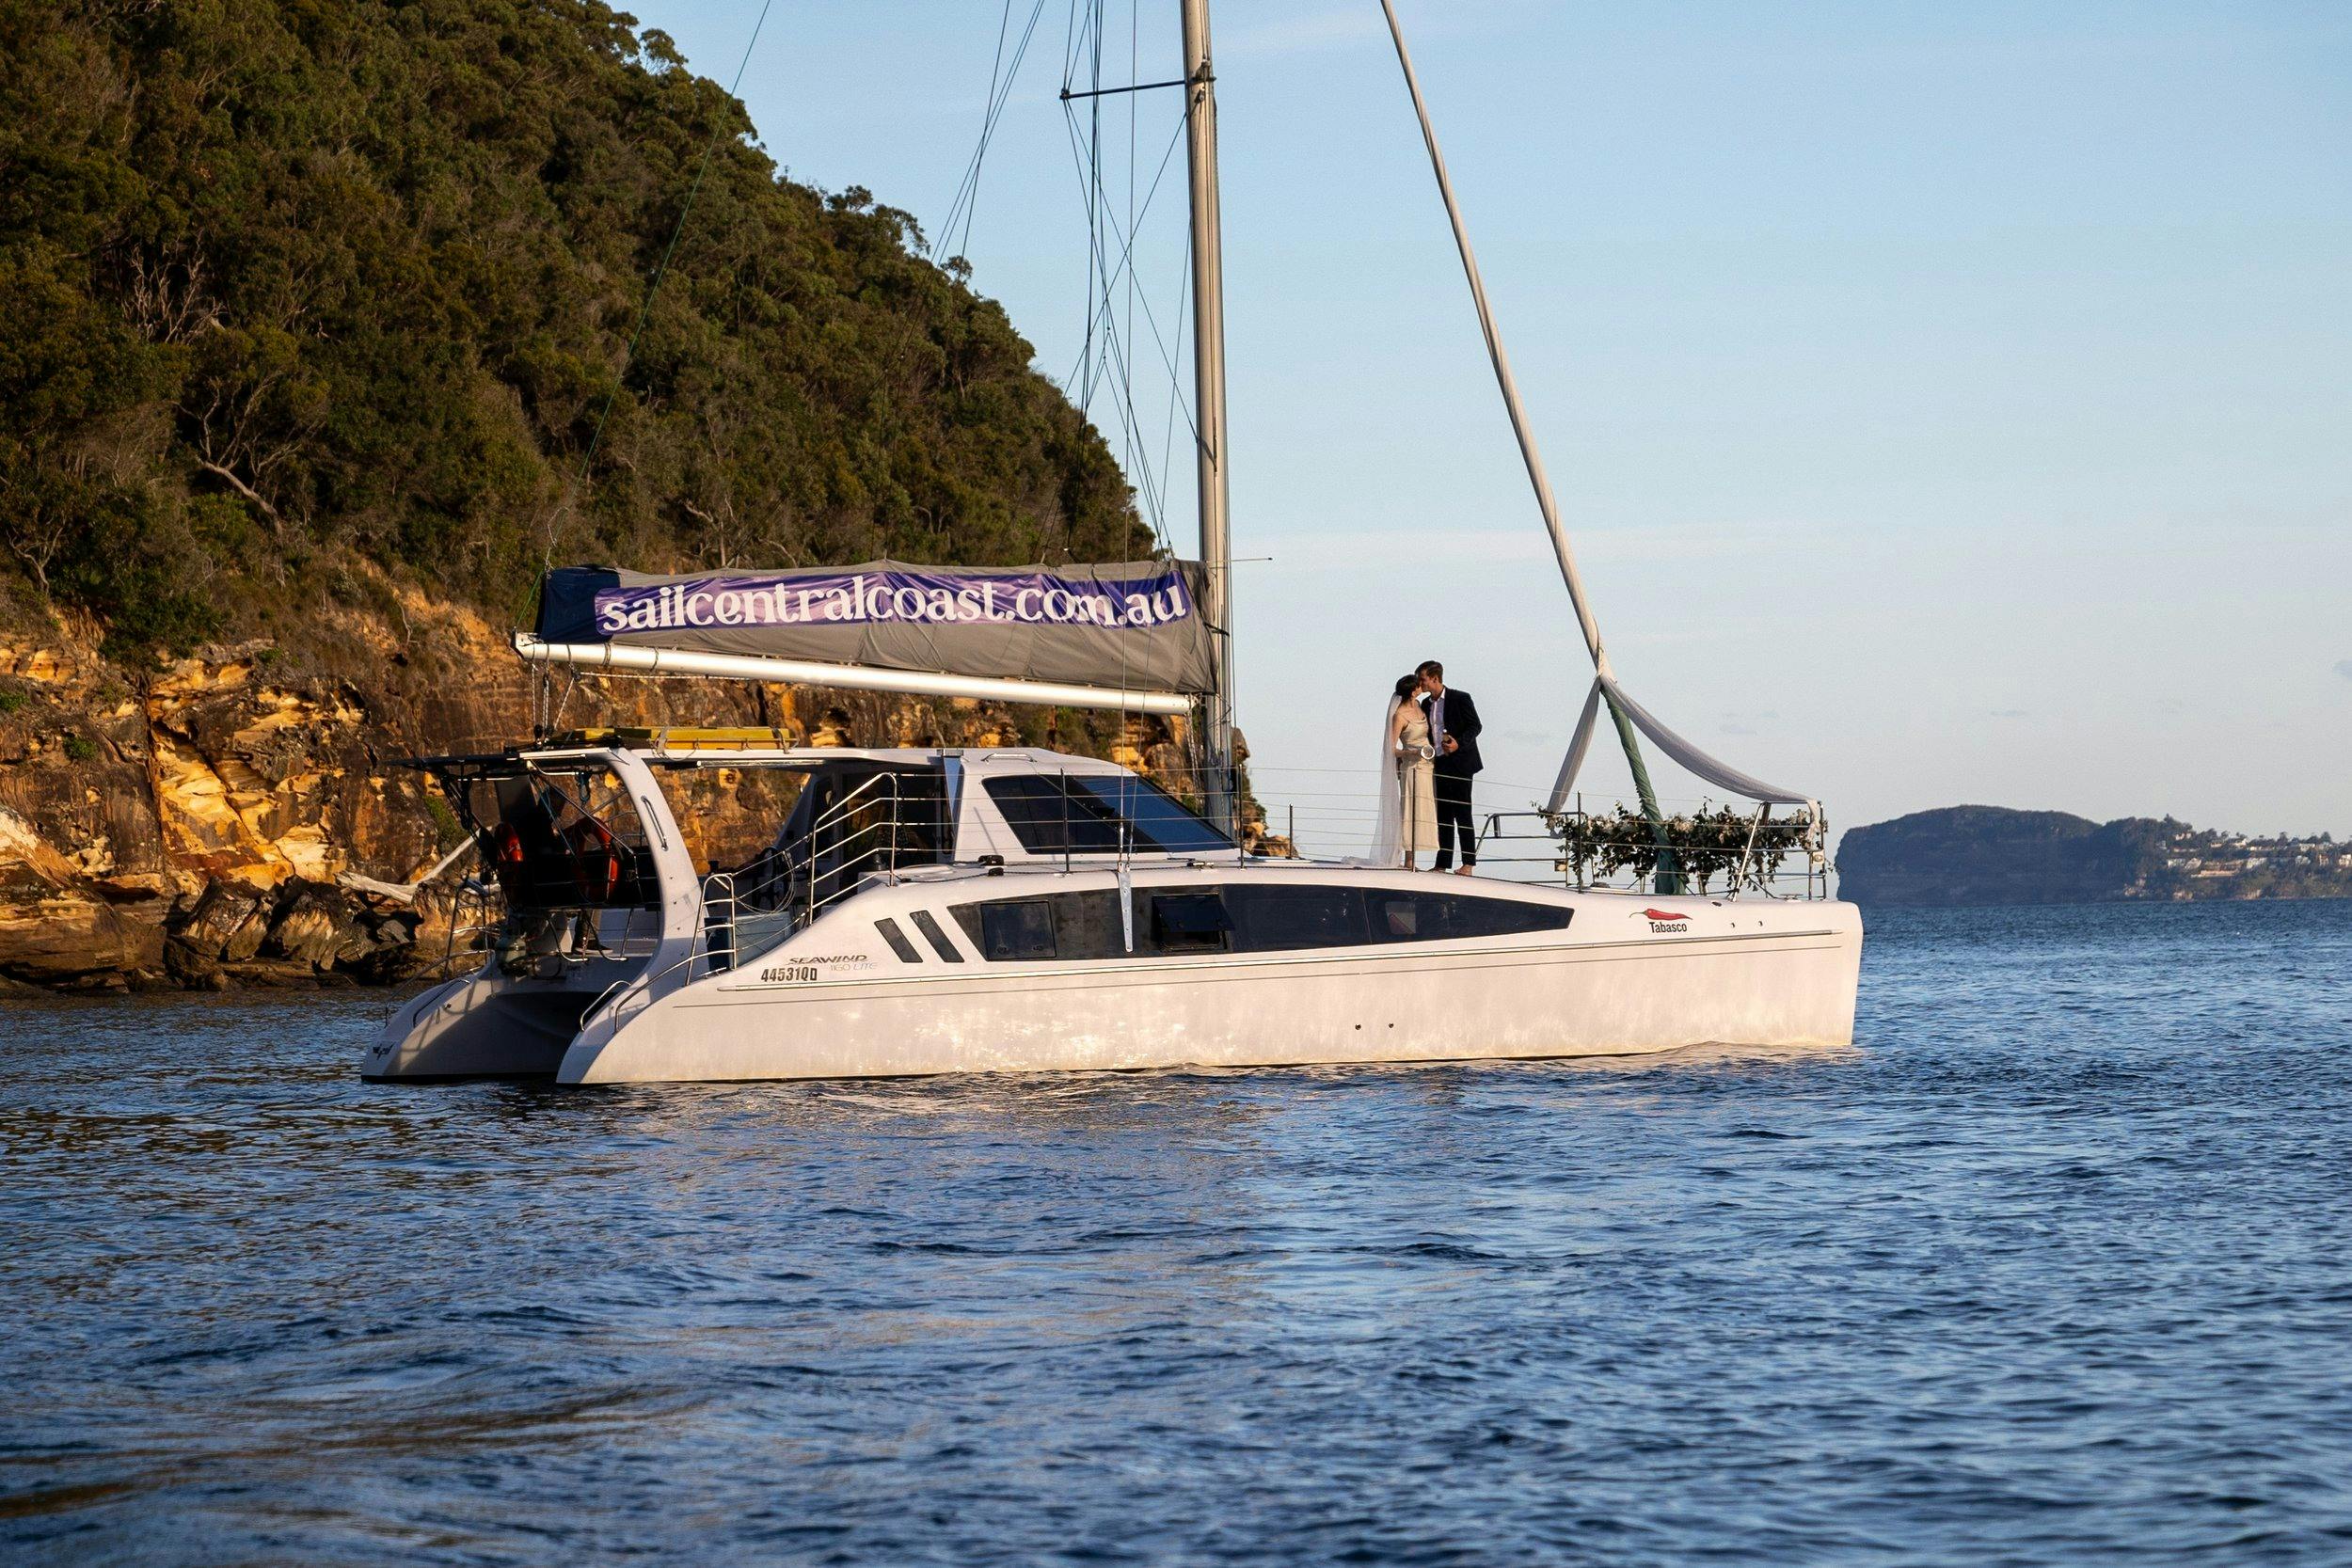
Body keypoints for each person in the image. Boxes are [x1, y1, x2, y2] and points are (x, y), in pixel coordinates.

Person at [1418, 659, 1483, 874]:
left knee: (1463, 813)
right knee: (1443, 815)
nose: (1421, 683)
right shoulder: (1426, 705)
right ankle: (1442, 863)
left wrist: (1458, 743)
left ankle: (1468, 864)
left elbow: (1476, 725)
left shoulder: (1460, 698)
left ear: (1435, 678)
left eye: (1424, 679)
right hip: (1439, 763)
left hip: (1461, 762)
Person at [1371, 673, 1439, 868]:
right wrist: (1410, 752)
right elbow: (1391, 748)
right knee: (1410, 808)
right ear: (1412, 690)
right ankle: (1409, 858)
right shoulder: (1399, 715)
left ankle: (1416, 854)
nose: (1421, 688)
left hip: (1428, 765)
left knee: (1425, 809)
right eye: (1418, 686)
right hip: (1412, 766)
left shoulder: (1420, 707)